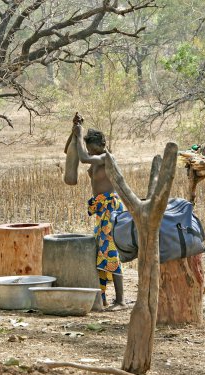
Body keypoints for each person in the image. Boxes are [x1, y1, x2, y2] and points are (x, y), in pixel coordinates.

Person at [72, 113, 125, 309]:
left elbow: (84, 158)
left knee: (110, 252)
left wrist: (78, 136)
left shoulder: (105, 157)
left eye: (94, 149)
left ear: (102, 144)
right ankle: (102, 298)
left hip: (111, 209)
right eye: (90, 150)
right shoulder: (96, 159)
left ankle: (120, 300)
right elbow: (80, 156)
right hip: (101, 210)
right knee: (101, 253)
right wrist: (76, 129)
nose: (91, 153)